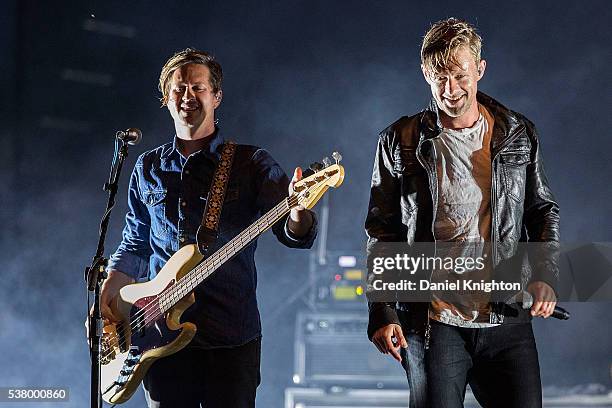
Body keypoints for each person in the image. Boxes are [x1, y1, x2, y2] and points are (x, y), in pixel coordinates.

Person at [98, 48, 317, 408]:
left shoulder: (252, 163)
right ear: (166, 99)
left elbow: (295, 235)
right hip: (156, 337)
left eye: (198, 88)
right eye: (179, 89)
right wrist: (108, 296)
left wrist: (298, 210)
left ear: (216, 97)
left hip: (230, 337)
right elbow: (135, 243)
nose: (188, 97)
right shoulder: (147, 166)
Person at [365, 18, 559, 408]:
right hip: (432, 322)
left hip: (506, 314)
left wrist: (544, 275)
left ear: (480, 69)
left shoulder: (517, 132)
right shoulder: (399, 140)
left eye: (460, 75)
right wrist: (382, 311)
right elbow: (382, 230)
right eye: (440, 78)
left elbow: (541, 211)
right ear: (425, 74)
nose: (451, 90)